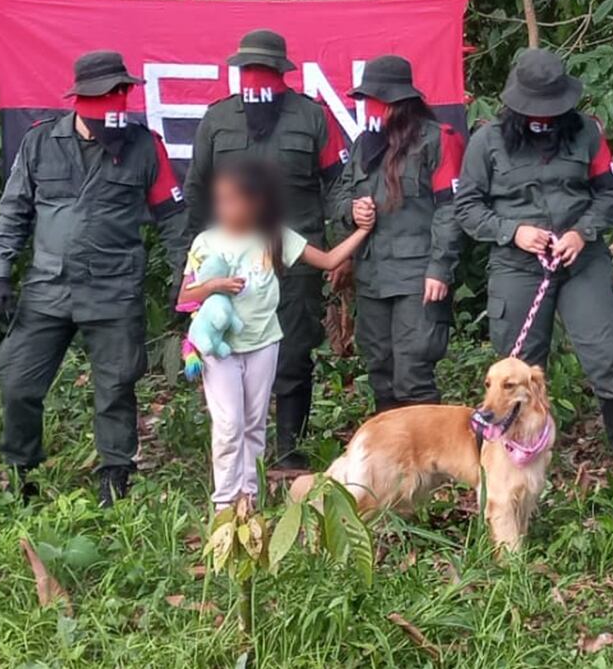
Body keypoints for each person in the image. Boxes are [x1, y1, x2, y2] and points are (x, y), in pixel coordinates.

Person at [0, 51, 188, 506]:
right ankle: (23, 476)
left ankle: (114, 482)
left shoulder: (142, 145)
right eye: (107, 94)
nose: (117, 101)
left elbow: (173, 217)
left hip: (114, 291)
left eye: (123, 92)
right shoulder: (40, 143)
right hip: (48, 290)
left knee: (115, 388)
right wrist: (0, 272)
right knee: (17, 380)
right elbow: (14, 210)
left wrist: (184, 277)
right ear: (81, 98)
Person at [455, 49, 613, 480]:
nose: (545, 118)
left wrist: (583, 232)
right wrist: (512, 230)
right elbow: (466, 206)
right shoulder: (487, 141)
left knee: (606, 353)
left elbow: (609, 193)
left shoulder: (588, 133)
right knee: (516, 369)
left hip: (580, 260)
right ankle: (507, 471)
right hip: (517, 264)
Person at [184, 29, 350, 469]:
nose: (257, 81)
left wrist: (343, 242)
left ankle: (289, 452)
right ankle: (233, 452)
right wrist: (194, 264)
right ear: (239, 74)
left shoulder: (312, 117)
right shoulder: (217, 119)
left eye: (265, 73)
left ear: (282, 74)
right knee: (228, 348)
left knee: (293, 350)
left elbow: (336, 182)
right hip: (230, 264)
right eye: (249, 73)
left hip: (293, 256)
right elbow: (197, 190)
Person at [178, 159, 372, 510]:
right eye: (220, 201)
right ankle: (224, 505)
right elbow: (185, 297)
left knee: (253, 425)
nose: (225, 208)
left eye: (233, 200)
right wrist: (214, 285)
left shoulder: (274, 237)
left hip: (263, 343)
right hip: (219, 349)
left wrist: (362, 232)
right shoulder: (206, 242)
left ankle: (248, 500)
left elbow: (327, 261)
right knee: (228, 425)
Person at [335, 55, 465, 410]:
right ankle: (392, 460)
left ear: (399, 102)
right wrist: (352, 210)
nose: (370, 108)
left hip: (417, 276)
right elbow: (339, 195)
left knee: (414, 371)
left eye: (377, 100)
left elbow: (450, 209)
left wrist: (440, 269)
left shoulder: (437, 140)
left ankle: (426, 463)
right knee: (380, 368)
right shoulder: (365, 143)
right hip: (372, 274)